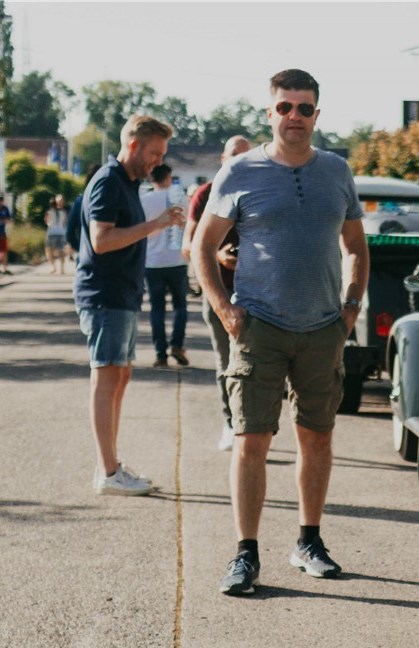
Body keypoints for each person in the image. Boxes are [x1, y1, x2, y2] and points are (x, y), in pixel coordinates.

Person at [194, 69, 368, 596]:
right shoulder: (240, 172)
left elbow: (357, 247)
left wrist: (350, 311)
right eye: (285, 107)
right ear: (270, 113)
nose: (295, 116)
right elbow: (204, 247)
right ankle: (245, 554)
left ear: (318, 114)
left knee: (316, 438)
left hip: (322, 329)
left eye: (305, 108)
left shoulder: (336, 172)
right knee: (252, 440)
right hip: (259, 327)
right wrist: (225, 308)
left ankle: (308, 542)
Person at [75, 114, 184, 497]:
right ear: (134, 145)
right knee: (106, 378)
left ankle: (112, 465)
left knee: (119, 377)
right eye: (155, 152)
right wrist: (155, 225)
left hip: (120, 294)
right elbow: (101, 241)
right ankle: (107, 472)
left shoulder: (126, 182)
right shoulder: (108, 181)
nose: (158, 161)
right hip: (104, 295)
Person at [183, 135, 252, 450]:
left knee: (261, 366)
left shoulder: (261, 191)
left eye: (246, 156)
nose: (240, 161)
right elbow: (188, 246)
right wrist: (218, 255)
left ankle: (253, 427)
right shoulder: (206, 194)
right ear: (223, 160)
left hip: (257, 292)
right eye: (234, 155)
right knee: (226, 361)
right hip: (219, 291)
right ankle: (230, 423)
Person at [140, 164, 189, 366]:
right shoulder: (180, 199)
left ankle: (160, 353)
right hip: (177, 259)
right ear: (169, 177)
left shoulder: (143, 200)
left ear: (151, 178)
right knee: (180, 305)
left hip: (153, 260)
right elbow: (188, 223)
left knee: (157, 308)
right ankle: (177, 344)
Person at [43, 193, 70, 275]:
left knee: (59, 250)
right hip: (56, 232)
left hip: (58, 232)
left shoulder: (51, 210)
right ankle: (54, 267)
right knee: (51, 249)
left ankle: (59, 267)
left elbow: (46, 220)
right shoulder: (64, 210)